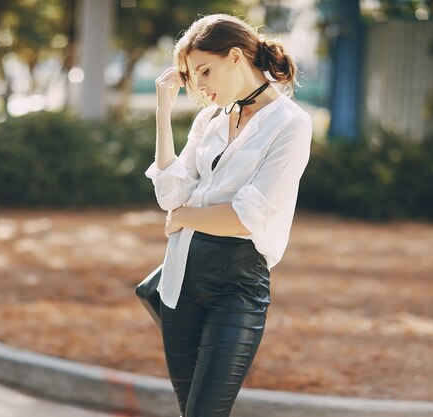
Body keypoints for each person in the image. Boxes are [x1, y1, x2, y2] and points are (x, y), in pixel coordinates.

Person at [144, 13, 313, 417]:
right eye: (191, 76)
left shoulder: (291, 125)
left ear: (236, 57)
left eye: (205, 71)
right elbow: (171, 195)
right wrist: (162, 117)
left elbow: (245, 218)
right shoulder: (209, 120)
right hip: (179, 281)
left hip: (237, 287)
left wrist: (186, 216)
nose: (200, 86)